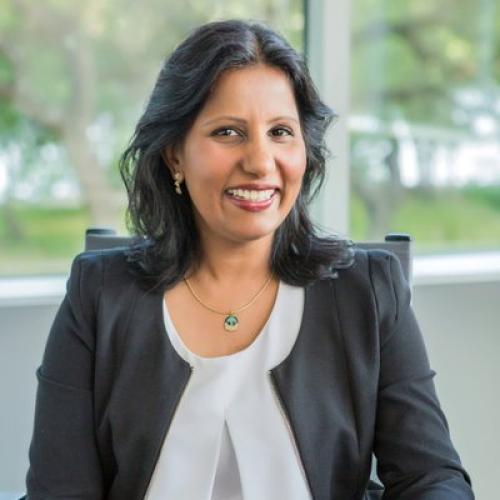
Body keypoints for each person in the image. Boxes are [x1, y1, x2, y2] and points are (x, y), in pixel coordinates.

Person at [25, 19, 474, 500]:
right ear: (174, 155)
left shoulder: (368, 291)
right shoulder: (98, 295)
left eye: (281, 132)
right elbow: (60, 491)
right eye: (228, 132)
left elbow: (432, 479)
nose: (260, 162)